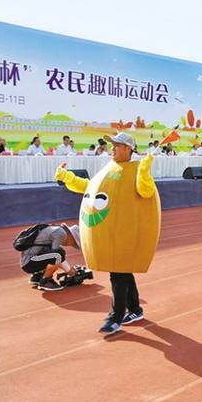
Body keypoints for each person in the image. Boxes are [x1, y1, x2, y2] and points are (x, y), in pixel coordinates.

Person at [55, 132, 160, 335]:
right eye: (112, 145)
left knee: (118, 274)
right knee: (122, 271)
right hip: (112, 230)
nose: (112, 149)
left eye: (117, 146)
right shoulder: (111, 167)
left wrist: (145, 171)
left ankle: (115, 317)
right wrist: (67, 177)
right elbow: (91, 187)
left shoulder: (136, 169)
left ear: (129, 149)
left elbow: (146, 191)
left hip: (126, 231)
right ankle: (135, 309)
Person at [19, 223, 84, 291]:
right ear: (71, 236)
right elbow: (56, 256)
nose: (70, 245)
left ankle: (37, 276)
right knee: (59, 253)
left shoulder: (55, 230)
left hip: (28, 260)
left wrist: (69, 270)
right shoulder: (61, 234)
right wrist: (70, 271)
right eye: (73, 243)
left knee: (56, 254)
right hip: (30, 262)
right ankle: (46, 281)